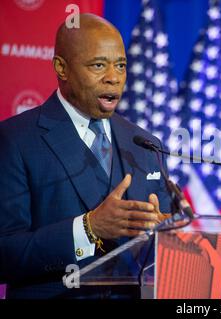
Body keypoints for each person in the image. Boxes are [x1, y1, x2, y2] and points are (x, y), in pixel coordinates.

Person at [0, 14, 172, 298]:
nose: (114, 77)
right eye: (98, 65)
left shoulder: (144, 144)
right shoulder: (16, 140)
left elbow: (162, 247)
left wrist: (167, 233)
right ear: (61, 68)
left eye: (120, 65)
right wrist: (87, 229)